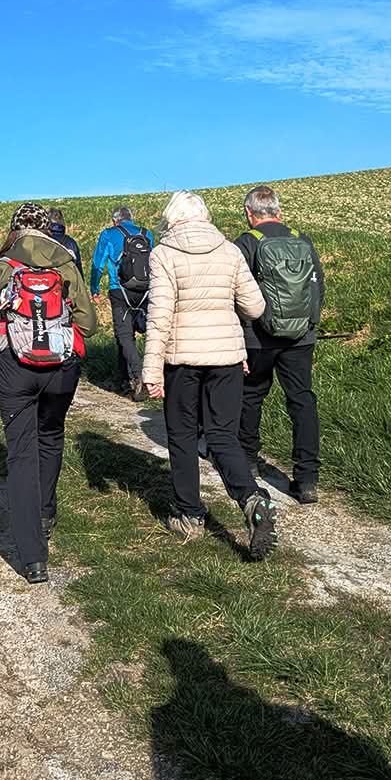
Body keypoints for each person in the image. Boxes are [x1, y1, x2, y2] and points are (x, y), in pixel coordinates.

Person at [0, 203, 96, 585]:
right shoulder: (65, 263)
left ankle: (33, 557)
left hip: (14, 368)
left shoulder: (5, 265)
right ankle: (45, 512)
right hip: (61, 369)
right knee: (51, 436)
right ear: (48, 229)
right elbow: (90, 323)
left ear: (15, 229)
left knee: (20, 452)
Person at [141, 191, 277, 560]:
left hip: (182, 359)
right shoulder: (230, 251)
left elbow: (159, 318)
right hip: (227, 359)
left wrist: (151, 371)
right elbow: (255, 305)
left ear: (171, 219)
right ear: (205, 217)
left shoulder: (164, 254)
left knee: (182, 436)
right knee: (222, 436)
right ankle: (251, 499)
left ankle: (189, 516)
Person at [234, 185, 325, 504]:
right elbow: (318, 285)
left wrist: (242, 331)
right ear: (279, 211)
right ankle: (307, 478)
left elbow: (237, 292)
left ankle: (247, 462)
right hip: (301, 336)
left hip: (258, 337)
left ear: (249, 213)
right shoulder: (302, 239)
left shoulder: (247, 243)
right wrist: (309, 324)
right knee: (301, 399)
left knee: (251, 396)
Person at [90, 206, 154, 401]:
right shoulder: (146, 233)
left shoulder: (109, 234)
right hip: (145, 290)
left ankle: (138, 376)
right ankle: (123, 380)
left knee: (124, 334)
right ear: (131, 218)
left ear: (114, 221)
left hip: (120, 290)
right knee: (132, 335)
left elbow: (98, 264)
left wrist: (94, 289)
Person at [47, 208, 82, 276]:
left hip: (49, 282)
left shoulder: (42, 241)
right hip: (68, 280)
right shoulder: (71, 243)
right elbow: (78, 269)